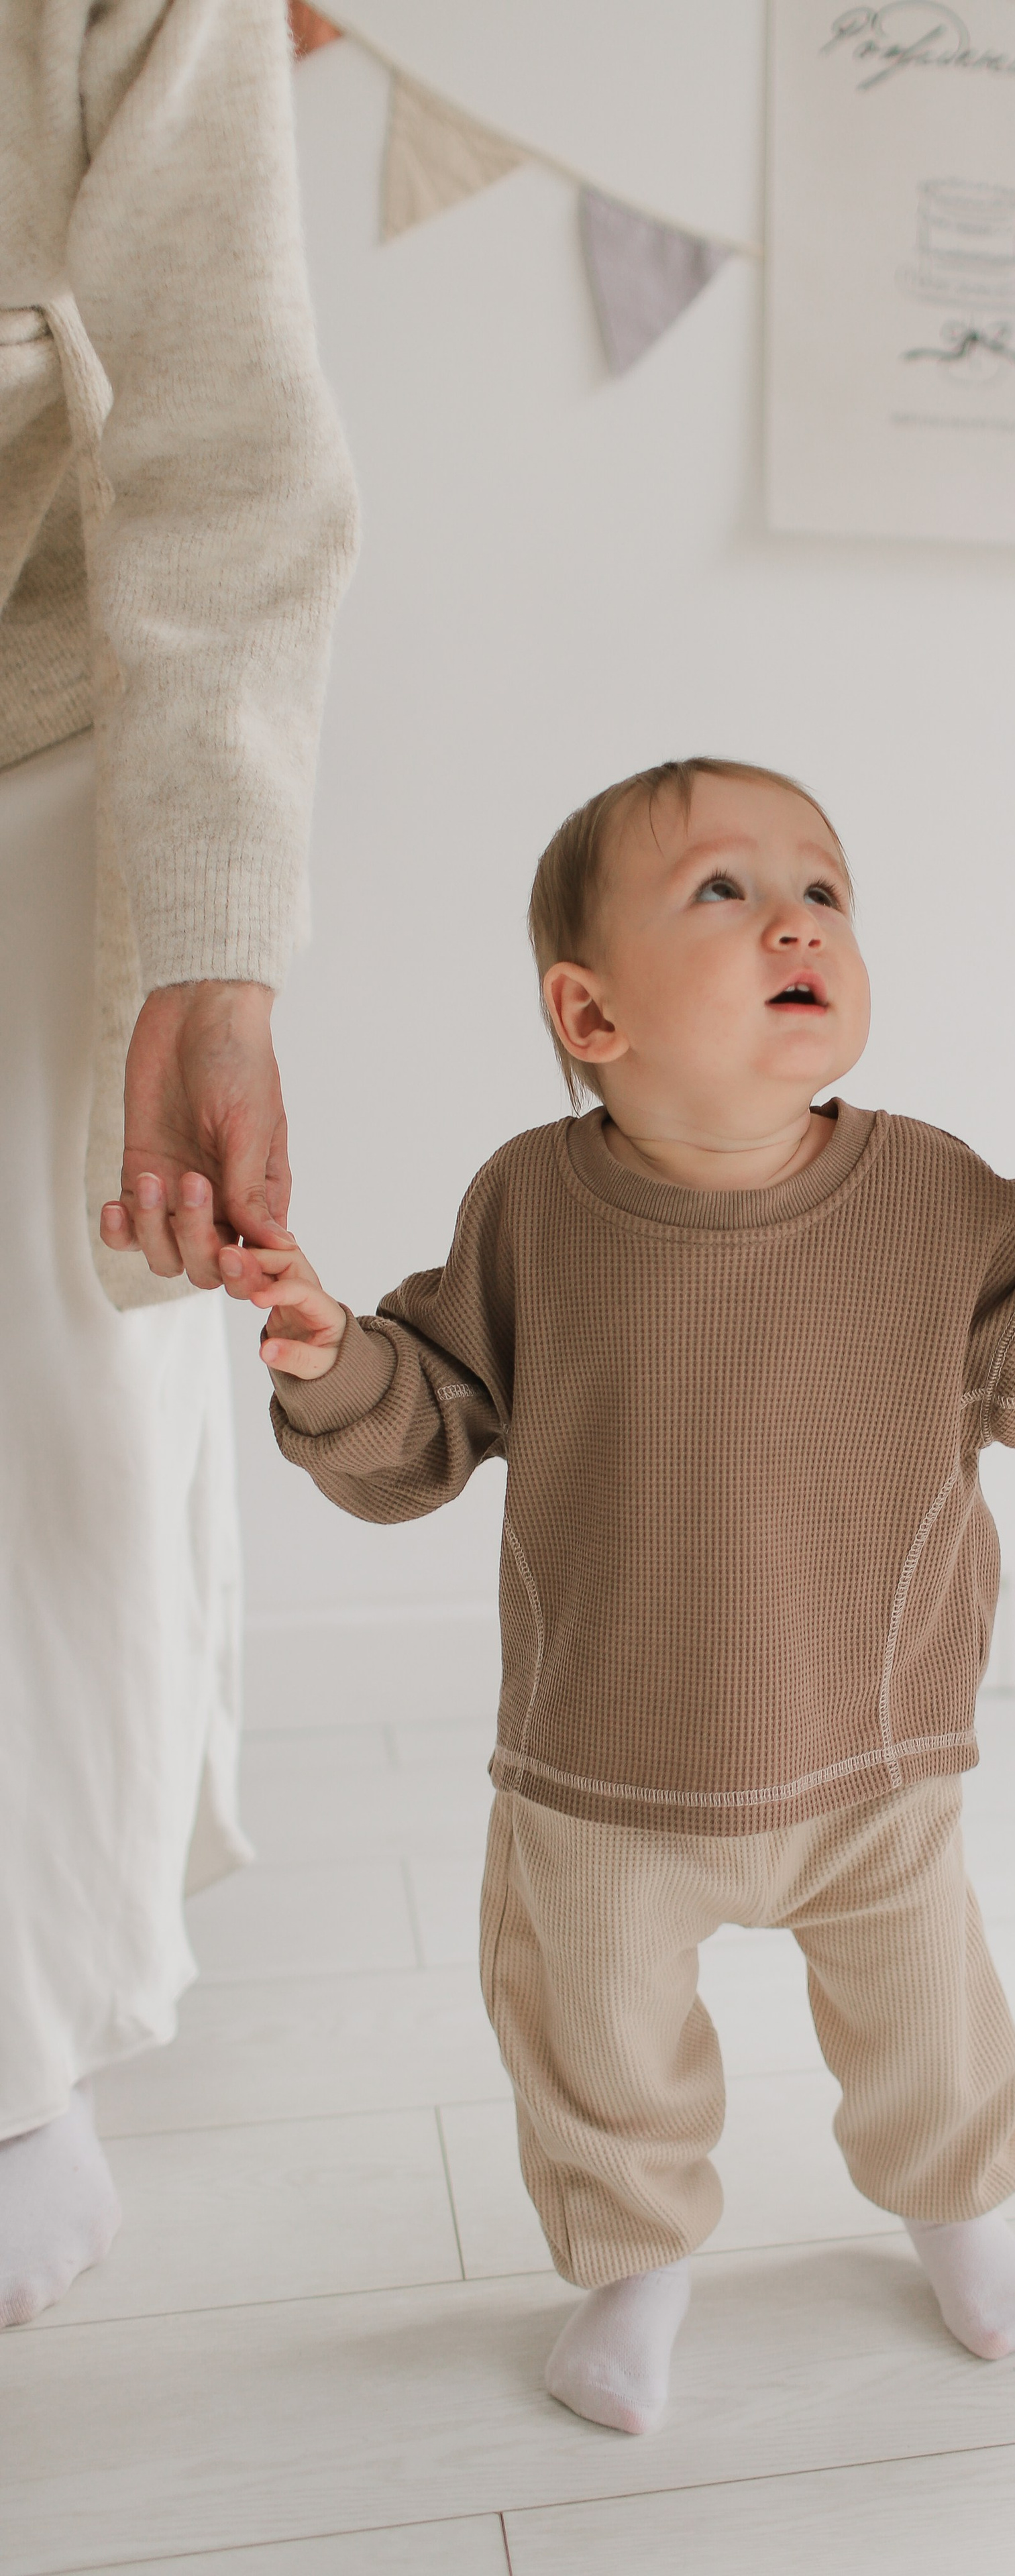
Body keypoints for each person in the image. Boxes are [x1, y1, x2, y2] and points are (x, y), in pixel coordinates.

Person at [221, 757, 1015, 2432]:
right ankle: (635, 2259)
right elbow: (424, 1422)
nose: (796, 914)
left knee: (931, 2019)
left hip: (875, 1756)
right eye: (723, 890)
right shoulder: (529, 1206)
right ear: (588, 1011)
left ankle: (953, 2201)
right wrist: (331, 1360)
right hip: (603, 1759)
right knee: (594, 2043)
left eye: (823, 888)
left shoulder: (940, 1198)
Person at [0, 0, 356, 2326]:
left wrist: (213, 961)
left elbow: (222, 442)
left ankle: (19, 2034)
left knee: (54, 1410)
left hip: (35, 704)